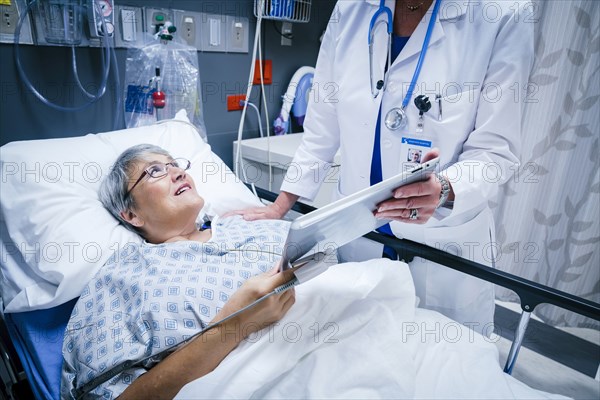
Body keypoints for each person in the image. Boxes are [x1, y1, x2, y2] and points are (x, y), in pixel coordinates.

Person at [233, 0, 534, 334]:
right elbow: (321, 129)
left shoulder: (503, 12)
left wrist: (446, 188)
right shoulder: (350, 9)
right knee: (358, 359)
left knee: (440, 370)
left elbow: (496, 151)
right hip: (362, 237)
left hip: (441, 246)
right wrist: (280, 206)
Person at [61, 144, 296, 399]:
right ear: (131, 214)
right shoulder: (124, 277)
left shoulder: (249, 224)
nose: (177, 172)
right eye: (155, 171)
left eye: (175, 164)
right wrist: (234, 324)